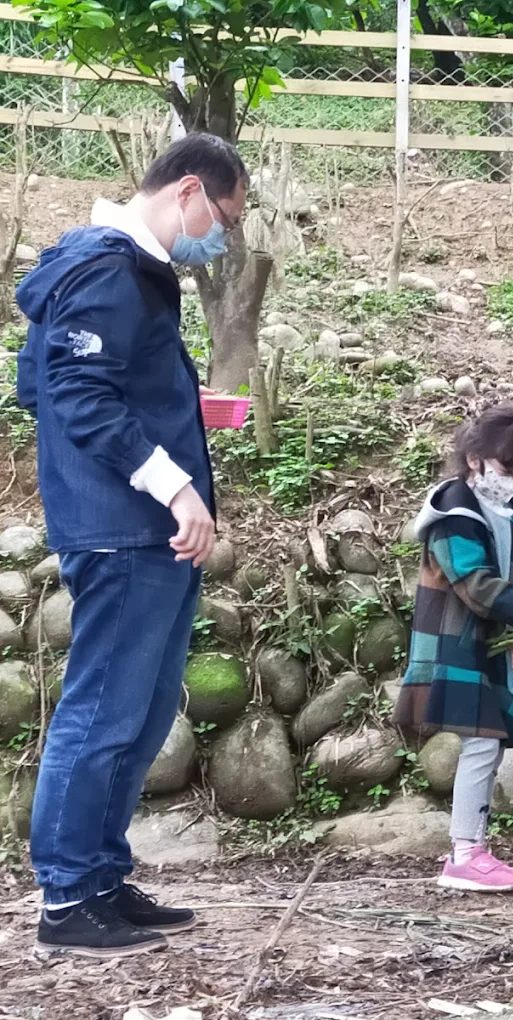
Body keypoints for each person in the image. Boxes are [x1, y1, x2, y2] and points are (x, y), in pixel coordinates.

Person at [16, 132, 249, 958]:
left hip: (142, 528)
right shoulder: (107, 267)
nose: (219, 236)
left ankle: (102, 877)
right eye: (222, 216)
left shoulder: (127, 275)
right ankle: (69, 897)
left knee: (143, 710)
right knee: (103, 710)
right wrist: (173, 482)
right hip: (122, 529)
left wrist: (180, 413)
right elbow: (74, 393)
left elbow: (36, 382)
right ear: (188, 191)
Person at [394, 403, 513, 892]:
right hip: (458, 640)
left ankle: (471, 849)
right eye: (507, 467)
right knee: (483, 742)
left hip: (490, 641)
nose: (512, 479)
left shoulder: (507, 510)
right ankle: (465, 855)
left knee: (486, 743)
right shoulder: (453, 511)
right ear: (475, 458)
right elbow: (474, 583)